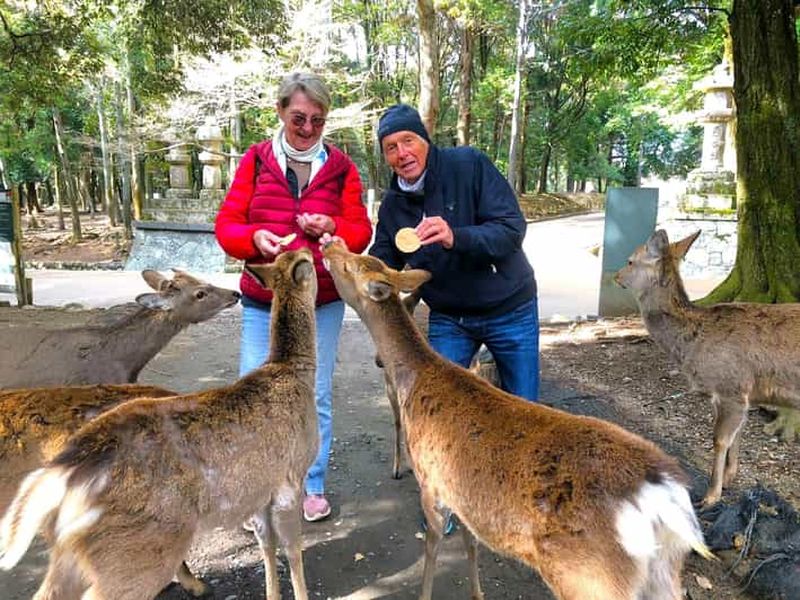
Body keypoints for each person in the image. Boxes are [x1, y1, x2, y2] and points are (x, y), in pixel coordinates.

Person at [215, 72, 373, 522]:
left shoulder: (341, 167)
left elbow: (361, 231)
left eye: (317, 121)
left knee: (313, 394)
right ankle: (256, 491)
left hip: (320, 300)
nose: (307, 128)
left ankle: (310, 484)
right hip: (264, 298)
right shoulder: (256, 160)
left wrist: (334, 229)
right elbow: (227, 226)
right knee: (253, 389)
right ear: (281, 111)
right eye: (299, 117)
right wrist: (254, 238)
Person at [369, 103, 540, 402]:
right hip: (450, 318)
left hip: (510, 308)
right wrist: (356, 264)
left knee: (526, 411)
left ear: (425, 140)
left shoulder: (468, 164)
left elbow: (511, 229)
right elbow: (384, 256)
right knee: (438, 406)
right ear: (386, 157)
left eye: (408, 141)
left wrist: (455, 237)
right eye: (391, 147)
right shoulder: (393, 204)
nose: (402, 153)